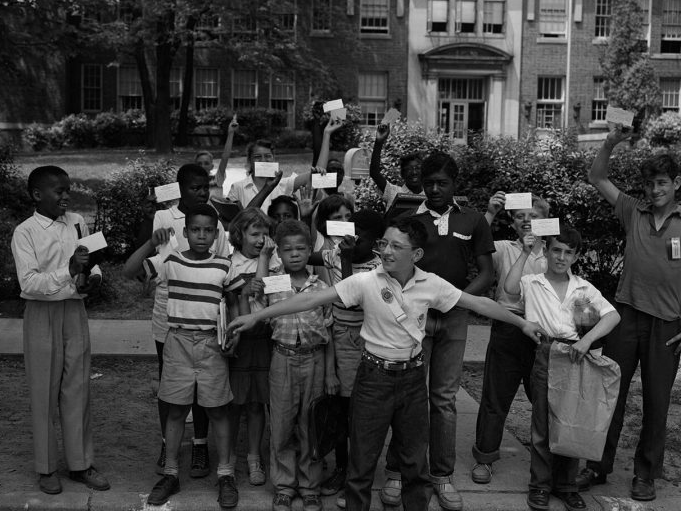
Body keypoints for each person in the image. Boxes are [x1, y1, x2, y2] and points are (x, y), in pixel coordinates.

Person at [227, 214, 543, 511]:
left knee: (415, 463)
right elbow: (309, 299)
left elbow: (479, 303)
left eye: (395, 246)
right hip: (373, 379)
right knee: (361, 464)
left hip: (412, 382)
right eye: (384, 244)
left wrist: (522, 324)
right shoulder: (366, 282)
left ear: (416, 254)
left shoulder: (431, 284)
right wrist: (257, 315)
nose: (386, 251)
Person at [383, 151, 495, 511]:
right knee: (408, 397)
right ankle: (398, 471)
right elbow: (393, 268)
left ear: (454, 185)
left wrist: (457, 300)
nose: (434, 189)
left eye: (442, 183)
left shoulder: (473, 220)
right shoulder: (408, 221)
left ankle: (441, 476)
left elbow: (486, 274)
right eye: (429, 182)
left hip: (455, 318)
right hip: (414, 318)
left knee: (444, 399)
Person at [577, 124, 681, 502]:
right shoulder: (632, 210)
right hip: (627, 316)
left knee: (656, 402)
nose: (655, 190)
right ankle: (597, 466)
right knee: (610, 394)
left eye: (663, 183)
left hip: (668, 325)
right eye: (650, 183)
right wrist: (610, 141)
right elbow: (596, 176)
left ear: (676, 183)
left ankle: (645, 474)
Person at [128, 203, 239, 508]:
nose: (202, 236)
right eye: (195, 230)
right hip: (176, 342)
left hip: (211, 345)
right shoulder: (170, 260)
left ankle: (226, 474)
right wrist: (152, 243)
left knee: (217, 410)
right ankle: (171, 472)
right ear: (185, 231)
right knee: (176, 410)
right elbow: (129, 270)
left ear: (216, 234)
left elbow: (235, 302)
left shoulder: (224, 266)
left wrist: (235, 334)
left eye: (208, 231)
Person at [504, 227, 620, 511]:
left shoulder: (583, 287)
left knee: (571, 421)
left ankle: (566, 486)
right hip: (546, 352)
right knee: (543, 424)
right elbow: (508, 288)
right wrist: (525, 251)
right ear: (547, 251)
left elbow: (613, 315)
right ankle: (540, 485)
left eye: (569, 252)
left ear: (576, 256)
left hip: (575, 354)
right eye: (556, 250)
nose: (561, 257)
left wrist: (588, 339)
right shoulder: (532, 282)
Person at [11, 165, 110, 495]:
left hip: (73, 311)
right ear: (38, 195)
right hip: (42, 315)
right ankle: (46, 467)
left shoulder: (77, 221)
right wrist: (67, 271)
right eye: (59, 191)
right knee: (43, 391)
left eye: (68, 189)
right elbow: (29, 283)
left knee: (78, 387)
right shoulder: (25, 232)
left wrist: (94, 276)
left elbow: (91, 259)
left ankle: (81, 464)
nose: (66, 195)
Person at [254, 219, 335, 511]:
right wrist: (263, 256)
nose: (295, 254)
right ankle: (285, 486)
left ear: (309, 250)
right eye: (287, 249)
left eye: (301, 248)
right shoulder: (274, 280)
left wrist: (329, 372)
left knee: (311, 425)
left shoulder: (321, 286)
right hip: (283, 359)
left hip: (313, 359)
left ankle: (310, 486)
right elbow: (257, 299)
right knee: (282, 425)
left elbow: (329, 333)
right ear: (279, 253)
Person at [471, 192, 550, 484]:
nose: (527, 221)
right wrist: (490, 213)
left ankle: (550, 459)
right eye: (520, 216)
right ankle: (485, 456)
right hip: (508, 328)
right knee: (496, 397)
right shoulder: (504, 248)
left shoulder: (554, 252)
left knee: (544, 399)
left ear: (545, 220)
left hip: (543, 332)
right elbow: (473, 243)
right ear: (512, 222)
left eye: (534, 216)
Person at [308, 209, 386, 505]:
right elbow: (302, 256)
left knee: (362, 412)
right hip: (339, 338)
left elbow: (350, 298)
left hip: (366, 339)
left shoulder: (379, 266)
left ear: (375, 241)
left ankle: (358, 471)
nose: (349, 240)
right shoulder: (334, 254)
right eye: (346, 233)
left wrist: (344, 259)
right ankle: (343, 468)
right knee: (340, 408)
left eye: (358, 237)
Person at [223, 208, 280, 487]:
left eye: (265, 233)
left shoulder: (274, 260)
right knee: (235, 403)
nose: (261, 239)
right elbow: (247, 293)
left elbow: (267, 292)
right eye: (254, 233)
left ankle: (254, 456)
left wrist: (266, 259)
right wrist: (263, 261)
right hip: (239, 338)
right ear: (239, 235)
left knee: (257, 403)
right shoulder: (229, 264)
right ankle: (229, 458)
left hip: (264, 337)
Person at [226, 139, 319, 214]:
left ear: (273, 159)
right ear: (250, 160)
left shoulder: (284, 184)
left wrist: (320, 171)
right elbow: (232, 221)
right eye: (257, 156)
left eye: (268, 156)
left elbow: (315, 177)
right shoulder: (238, 187)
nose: (263, 160)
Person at [369, 123, 424, 210]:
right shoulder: (394, 192)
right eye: (409, 169)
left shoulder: (430, 196)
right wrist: (379, 142)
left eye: (417, 168)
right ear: (402, 174)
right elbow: (374, 173)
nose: (414, 172)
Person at [196, 115, 239, 199]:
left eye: (206, 163)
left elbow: (225, 158)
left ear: (211, 166)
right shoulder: (191, 183)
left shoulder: (217, 180)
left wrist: (230, 133)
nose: (202, 166)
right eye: (199, 163)